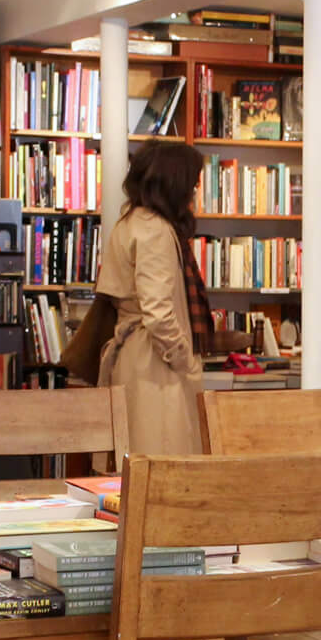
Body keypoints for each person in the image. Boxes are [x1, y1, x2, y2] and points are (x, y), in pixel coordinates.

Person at [94, 141, 215, 455]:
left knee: (136, 464)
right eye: (192, 181)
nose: (194, 190)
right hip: (155, 369)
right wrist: (186, 361)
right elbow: (159, 314)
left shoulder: (131, 222)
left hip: (138, 358)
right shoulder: (155, 231)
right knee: (164, 468)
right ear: (175, 183)